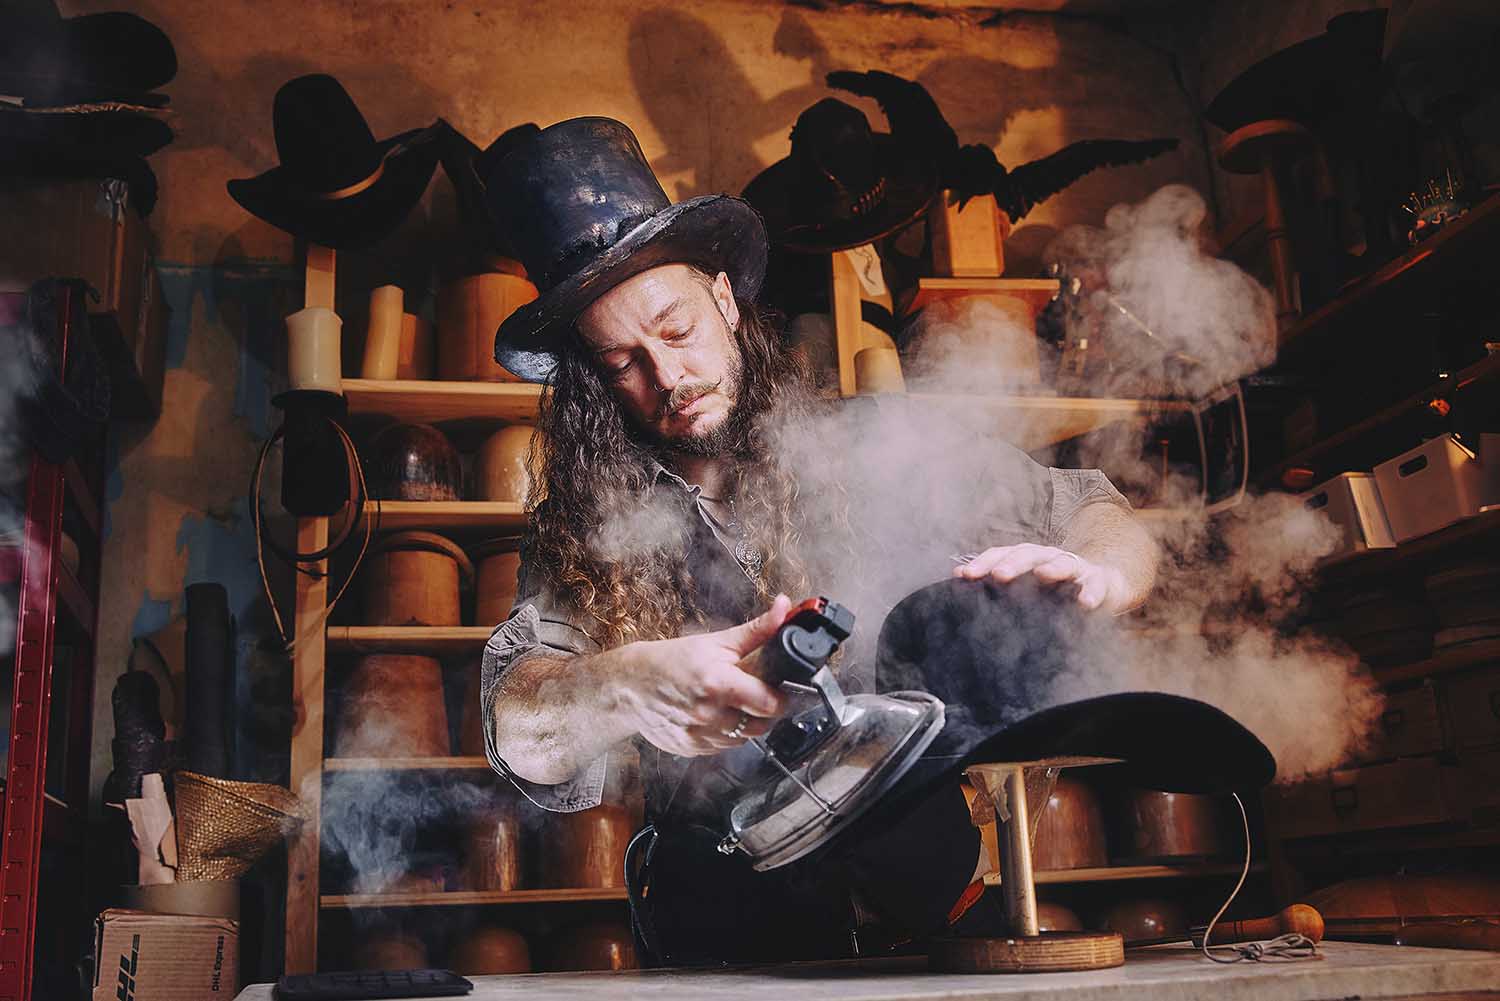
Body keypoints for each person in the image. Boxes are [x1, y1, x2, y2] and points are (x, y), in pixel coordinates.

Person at [477, 117, 1182, 965]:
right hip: (722, 961)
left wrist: (1099, 571)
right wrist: (623, 685)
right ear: (591, 376)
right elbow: (518, 724)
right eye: (622, 361)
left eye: (675, 329)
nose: (667, 378)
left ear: (725, 299)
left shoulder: (873, 440)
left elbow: (1094, 506)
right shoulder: (585, 532)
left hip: (936, 938)